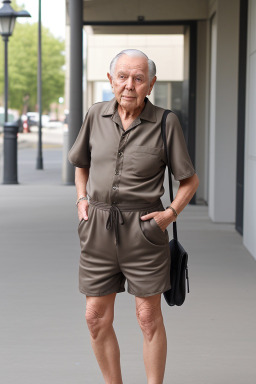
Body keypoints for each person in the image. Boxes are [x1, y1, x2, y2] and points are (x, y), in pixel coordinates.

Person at [68, 49, 199, 384]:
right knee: (95, 317)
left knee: (147, 318)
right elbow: (81, 163)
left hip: (144, 230)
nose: (129, 85)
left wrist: (167, 216)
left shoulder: (166, 122)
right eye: (122, 76)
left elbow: (189, 180)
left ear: (150, 84)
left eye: (139, 78)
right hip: (97, 227)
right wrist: (82, 199)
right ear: (111, 79)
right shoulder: (95, 115)